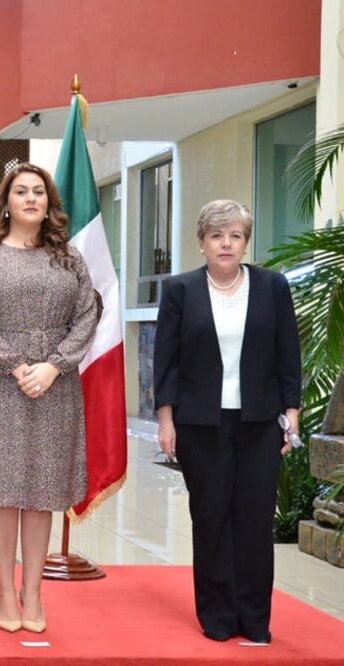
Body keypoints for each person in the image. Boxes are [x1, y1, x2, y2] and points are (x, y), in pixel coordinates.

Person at [0, 162, 100, 634]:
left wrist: (53, 365)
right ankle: (3, 588)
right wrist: (17, 366)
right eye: (21, 191)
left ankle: (33, 592)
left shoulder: (70, 258)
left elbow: (88, 314)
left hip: (55, 382)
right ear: (7, 202)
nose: (31, 198)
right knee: (4, 490)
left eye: (39, 192)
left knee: (41, 491)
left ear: (49, 204)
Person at [154, 199, 300, 644]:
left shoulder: (272, 286)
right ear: (202, 242)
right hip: (201, 422)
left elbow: (287, 353)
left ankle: (254, 618)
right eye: (217, 236)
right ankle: (217, 615)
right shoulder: (181, 290)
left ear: (245, 243)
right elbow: (167, 361)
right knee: (212, 516)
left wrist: (291, 415)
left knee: (254, 520)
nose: (226, 243)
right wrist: (166, 419)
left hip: (260, 420)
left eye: (235, 236)